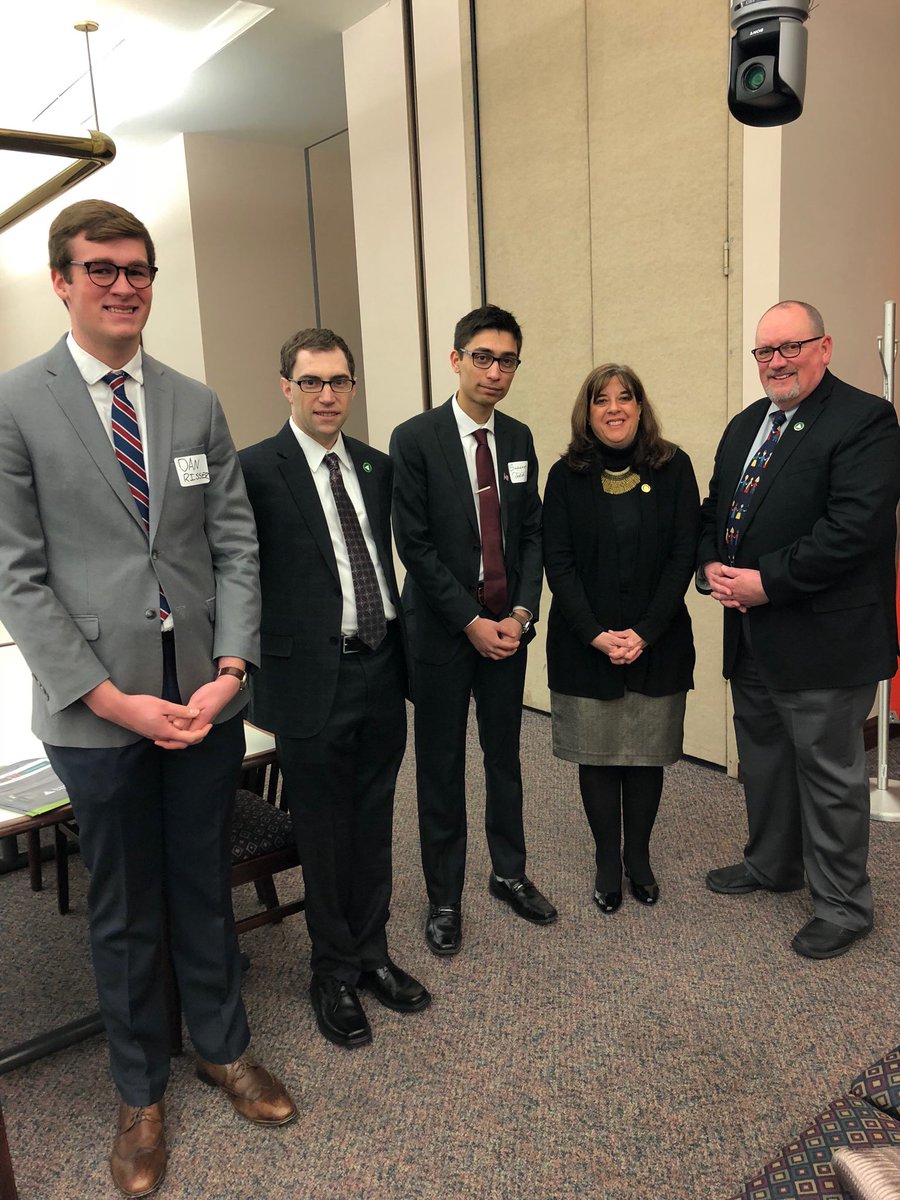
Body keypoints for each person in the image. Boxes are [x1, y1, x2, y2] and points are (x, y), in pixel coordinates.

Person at [0, 200, 296, 1198]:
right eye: (101, 269)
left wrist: (233, 669)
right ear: (62, 281)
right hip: (97, 714)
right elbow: (16, 578)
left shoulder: (192, 401)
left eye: (138, 269)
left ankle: (223, 1047)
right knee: (124, 909)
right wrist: (109, 699)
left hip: (204, 700)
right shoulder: (15, 403)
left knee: (203, 883)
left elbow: (235, 546)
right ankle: (139, 1092)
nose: (123, 285)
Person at [239, 328, 430, 1050]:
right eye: (312, 381)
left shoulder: (375, 467)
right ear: (285, 387)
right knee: (322, 829)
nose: (327, 395)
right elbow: (237, 573)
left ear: (352, 386)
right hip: (307, 678)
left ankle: (372, 952)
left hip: (381, 664)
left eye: (339, 381)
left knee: (374, 818)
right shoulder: (254, 469)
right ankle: (332, 970)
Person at [699, 300, 900, 960]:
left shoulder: (865, 420)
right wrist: (710, 563)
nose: (777, 362)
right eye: (766, 351)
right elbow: (716, 509)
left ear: (825, 347)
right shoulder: (745, 425)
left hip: (823, 637)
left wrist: (766, 581)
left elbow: (854, 529)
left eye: (791, 347)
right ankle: (772, 865)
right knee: (764, 761)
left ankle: (843, 906)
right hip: (751, 635)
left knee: (829, 775)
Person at [390, 304, 556, 956]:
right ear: (456, 359)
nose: (495, 372)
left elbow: (532, 533)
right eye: (483, 358)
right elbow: (415, 544)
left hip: (507, 631)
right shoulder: (415, 438)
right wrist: (470, 621)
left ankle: (509, 873)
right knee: (440, 765)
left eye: (507, 361)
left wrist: (520, 614)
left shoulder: (517, 438)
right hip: (442, 632)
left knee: (504, 757)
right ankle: (444, 896)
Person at [543, 364, 700, 914]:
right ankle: (607, 860)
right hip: (584, 642)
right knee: (599, 756)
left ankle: (639, 857)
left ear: (639, 406)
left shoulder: (674, 467)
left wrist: (645, 631)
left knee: (644, 756)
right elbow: (558, 562)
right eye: (601, 399)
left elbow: (683, 554)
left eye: (625, 397)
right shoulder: (565, 475)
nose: (614, 408)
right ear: (587, 413)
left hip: (658, 640)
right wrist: (595, 634)